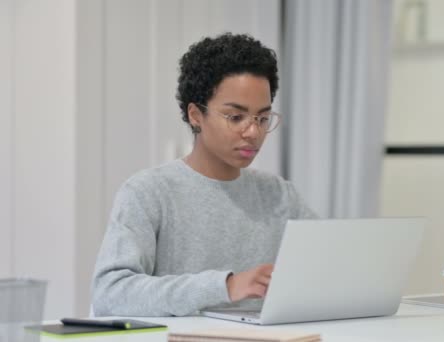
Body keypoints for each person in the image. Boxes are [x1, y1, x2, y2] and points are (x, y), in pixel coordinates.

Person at [91, 33, 316, 317]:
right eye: (236, 117)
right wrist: (225, 286)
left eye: (262, 118)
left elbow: (330, 267)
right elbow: (110, 293)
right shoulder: (148, 192)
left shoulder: (280, 195)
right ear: (196, 115)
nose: (253, 132)